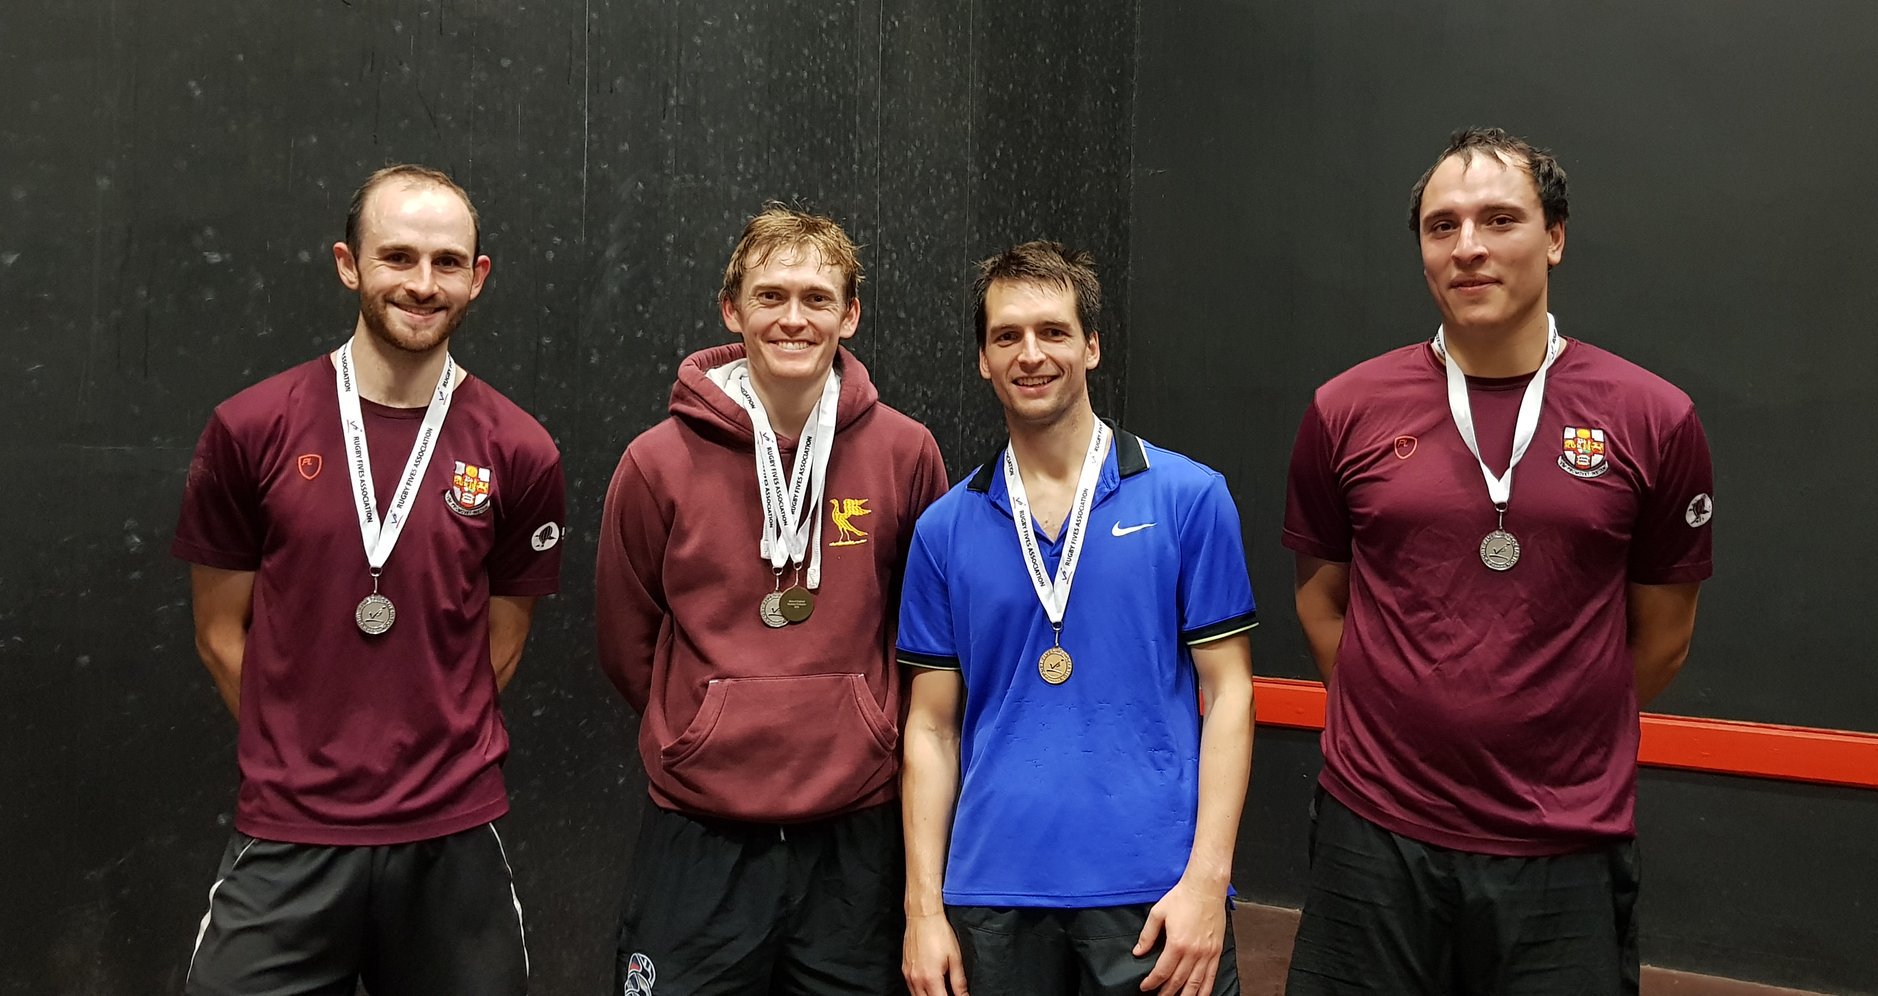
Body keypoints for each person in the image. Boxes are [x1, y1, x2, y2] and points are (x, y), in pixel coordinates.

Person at [1282, 128, 1716, 995]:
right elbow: (1322, 603)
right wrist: (1397, 715)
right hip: (1374, 831)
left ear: (1555, 237)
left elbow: (1664, 637)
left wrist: (1553, 731)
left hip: (1563, 842)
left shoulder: (1654, 418)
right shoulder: (1345, 409)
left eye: (1499, 219)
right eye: (1442, 226)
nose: (1468, 247)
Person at [174, 164, 564, 995]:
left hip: (451, 837)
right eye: (397, 257)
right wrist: (305, 751)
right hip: (289, 833)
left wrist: (416, 757)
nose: (422, 284)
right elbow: (217, 633)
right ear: (349, 265)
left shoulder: (520, 449)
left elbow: (502, 638)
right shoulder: (251, 428)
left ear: (477, 277)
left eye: (447, 262)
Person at [596, 202, 948, 995]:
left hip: (854, 833)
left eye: (817, 298)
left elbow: (925, 634)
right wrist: (702, 727)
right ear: (732, 309)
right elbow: (627, 638)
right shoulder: (656, 461)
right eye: (771, 296)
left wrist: (866, 723)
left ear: (849, 316)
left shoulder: (906, 452)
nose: (794, 318)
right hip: (700, 829)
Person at [897, 241, 1257, 996]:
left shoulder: (1189, 498)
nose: (1031, 354)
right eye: (1007, 336)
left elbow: (1230, 694)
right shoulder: (942, 529)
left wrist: (1206, 881)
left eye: (1053, 332)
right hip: (990, 894)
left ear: (1091, 346)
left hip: (1157, 893)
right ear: (983, 360)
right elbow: (930, 729)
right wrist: (922, 910)